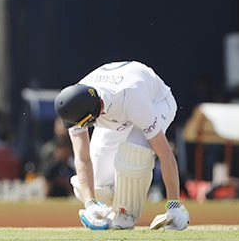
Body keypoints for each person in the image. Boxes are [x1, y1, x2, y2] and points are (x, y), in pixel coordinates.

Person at [54, 61, 189, 231]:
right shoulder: (76, 104)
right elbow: (82, 157)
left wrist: (174, 204)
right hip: (116, 113)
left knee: (133, 155)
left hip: (156, 102)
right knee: (93, 184)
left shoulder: (132, 99)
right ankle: (111, 208)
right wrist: (90, 204)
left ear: (92, 114)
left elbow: (165, 153)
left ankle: (126, 215)